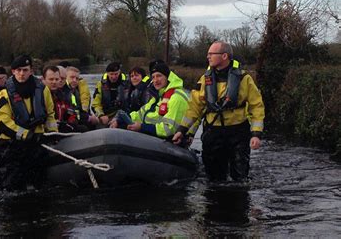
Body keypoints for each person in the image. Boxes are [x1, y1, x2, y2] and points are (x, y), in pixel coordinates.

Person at [172, 41, 265, 182]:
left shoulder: (244, 79)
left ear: (224, 56)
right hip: (213, 132)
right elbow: (194, 108)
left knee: (240, 177)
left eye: (211, 54)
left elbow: (256, 106)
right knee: (214, 177)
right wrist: (182, 130)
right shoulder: (205, 79)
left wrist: (256, 134)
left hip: (238, 132)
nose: (208, 57)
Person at [0, 54, 58, 191]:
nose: (21, 73)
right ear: (13, 72)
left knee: (39, 184)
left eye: (25, 70)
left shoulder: (43, 90)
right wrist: (25, 134)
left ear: (31, 71)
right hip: (13, 145)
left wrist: (53, 133)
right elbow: (2, 123)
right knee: (13, 186)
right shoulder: (4, 94)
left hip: (36, 142)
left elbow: (50, 115)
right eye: (18, 70)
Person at [110, 63, 190, 139]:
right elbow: (140, 115)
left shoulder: (176, 97)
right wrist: (119, 120)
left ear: (167, 77)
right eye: (153, 77)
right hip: (154, 138)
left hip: (168, 143)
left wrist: (142, 127)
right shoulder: (159, 97)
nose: (155, 80)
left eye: (159, 76)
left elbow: (168, 129)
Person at [92, 61, 130, 125]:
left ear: (119, 72)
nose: (114, 77)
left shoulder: (127, 84)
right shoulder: (100, 84)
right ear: (107, 73)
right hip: (105, 115)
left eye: (116, 74)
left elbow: (130, 104)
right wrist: (101, 115)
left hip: (122, 115)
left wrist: (118, 118)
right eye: (111, 74)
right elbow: (95, 104)